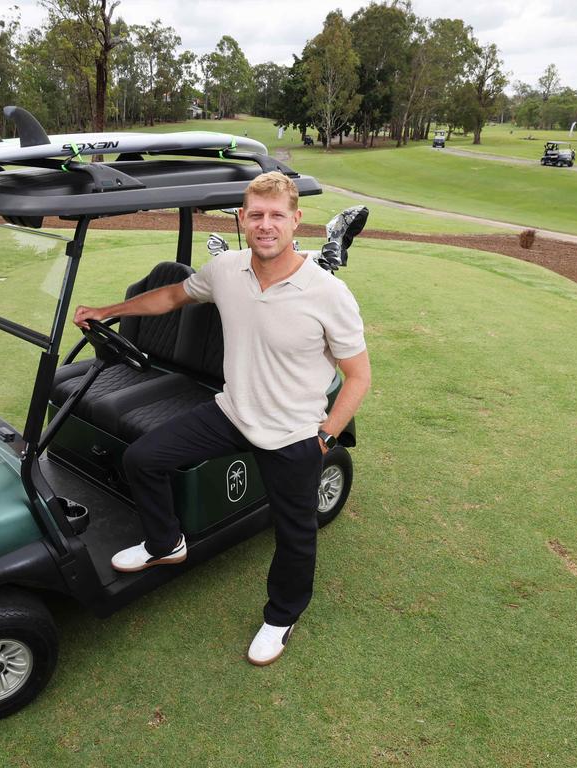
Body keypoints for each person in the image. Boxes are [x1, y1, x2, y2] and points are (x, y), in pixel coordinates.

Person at [72, 171, 371, 666]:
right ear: (242, 218)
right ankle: (166, 543)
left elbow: (357, 376)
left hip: (293, 433)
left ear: (297, 220)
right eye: (256, 214)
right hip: (232, 412)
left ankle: (282, 615)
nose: (266, 225)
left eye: (277, 215)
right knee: (144, 458)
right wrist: (109, 309)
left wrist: (325, 436)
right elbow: (171, 297)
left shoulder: (327, 294)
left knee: (295, 535)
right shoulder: (227, 270)